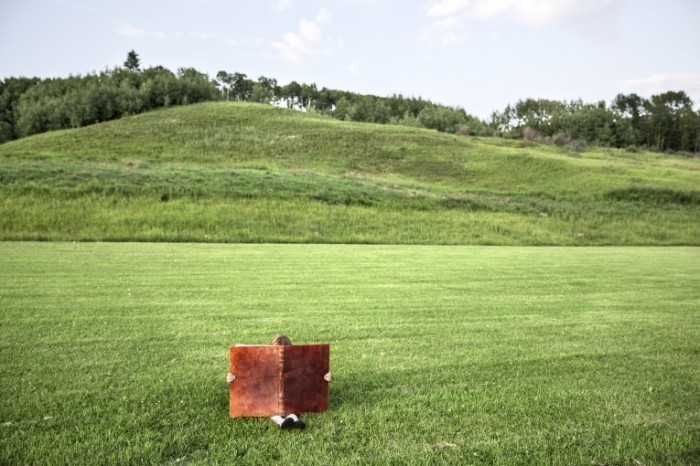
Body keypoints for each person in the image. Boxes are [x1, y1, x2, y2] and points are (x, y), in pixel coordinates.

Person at [226, 334, 306, 429]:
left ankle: (295, 419)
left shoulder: (295, 363)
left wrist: (325, 376)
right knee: (268, 407)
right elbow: (239, 347)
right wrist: (231, 377)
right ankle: (281, 422)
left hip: (286, 397)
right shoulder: (263, 360)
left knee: (289, 408)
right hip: (268, 396)